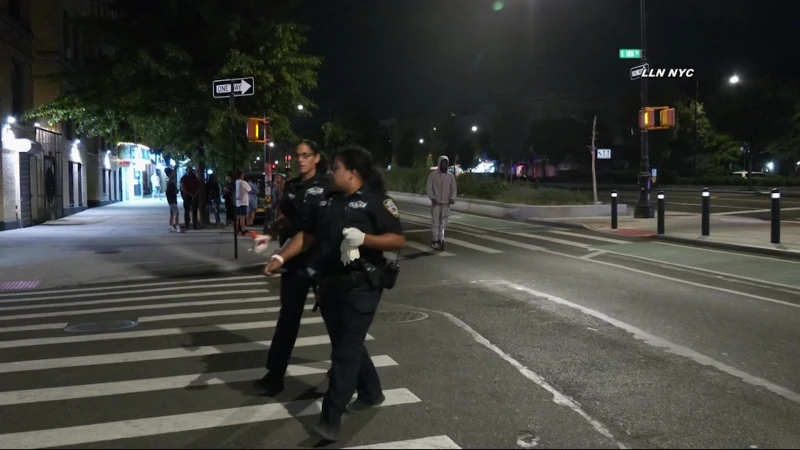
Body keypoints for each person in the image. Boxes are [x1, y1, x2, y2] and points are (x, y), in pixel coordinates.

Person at [265, 145, 406, 442]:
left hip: (362, 288)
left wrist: (366, 238)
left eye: (337, 168)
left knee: (343, 353)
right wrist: (280, 258)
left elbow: (397, 239)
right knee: (348, 344)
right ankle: (371, 390)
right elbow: (307, 235)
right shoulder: (328, 202)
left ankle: (330, 419)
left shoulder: (376, 202)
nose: (332, 173)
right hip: (329, 286)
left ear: (353, 173)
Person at [254, 139, 331, 396]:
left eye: (306, 155)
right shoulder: (292, 186)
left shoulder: (329, 187)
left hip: (320, 261)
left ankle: (356, 374)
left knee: (337, 321)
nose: (301, 160)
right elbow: (285, 217)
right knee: (288, 319)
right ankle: (275, 375)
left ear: (317, 158)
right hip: (294, 262)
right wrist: (270, 232)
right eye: (297, 155)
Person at [426, 155, 457, 251]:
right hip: (436, 204)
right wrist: (432, 198)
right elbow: (429, 188)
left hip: (446, 204)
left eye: (446, 163)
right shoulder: (433, 175)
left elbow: (453, 188)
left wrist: (452, 198)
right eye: (443, 163)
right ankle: (435, 240)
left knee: (443, 223)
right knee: (435, 222)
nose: (444, 165)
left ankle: (441, 240)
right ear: (439, 163)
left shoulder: (450, 176)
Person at [234, 170, 251, 235]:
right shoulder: (243, 182)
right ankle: (243, 230)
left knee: (237, 217)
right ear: (241, 175)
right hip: (243, 201)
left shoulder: (236, 182)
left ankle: (236, 229)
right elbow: (249, 189)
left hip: (237, 201)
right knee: (242, 217)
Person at [164, 168, 179, 232]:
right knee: (177, 213)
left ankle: (171, 227)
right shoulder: (170, 182)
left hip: (172, 200)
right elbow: (168, 192)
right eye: (173, 172)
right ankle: (177, 227)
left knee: (172, 214)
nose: (174, 173)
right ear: (170, 174)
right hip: (172, 200)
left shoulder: (171, 181)